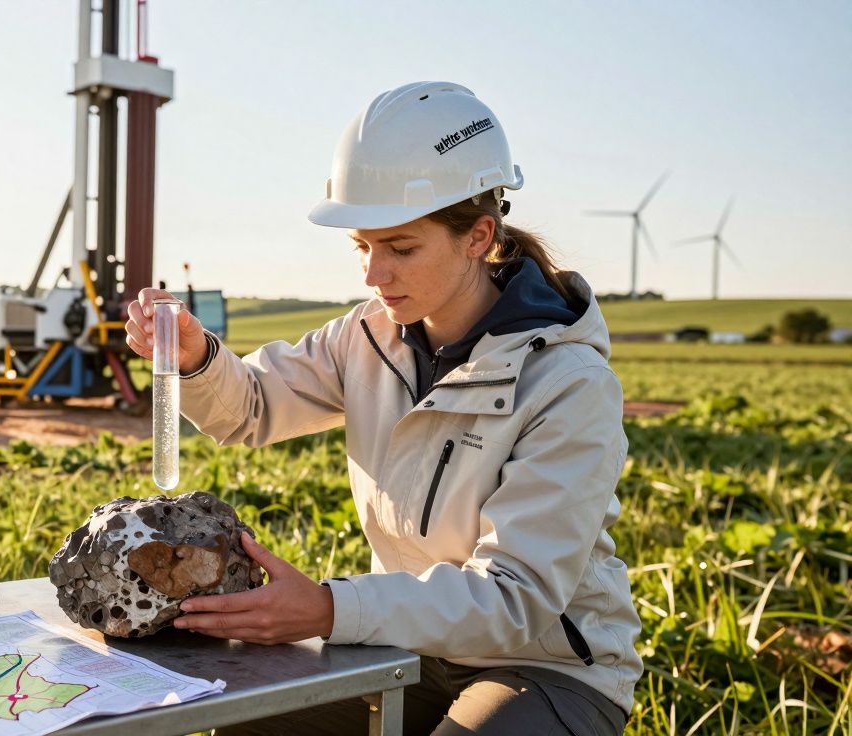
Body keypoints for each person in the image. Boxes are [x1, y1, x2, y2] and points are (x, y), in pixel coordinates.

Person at [124, 82, 642, 735]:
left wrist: (327, 609)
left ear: (478, 236)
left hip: (543, 666)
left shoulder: (569, 382)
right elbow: (250, 408)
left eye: (400, 248)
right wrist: (198, 358)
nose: (374, 275)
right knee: (249, 724)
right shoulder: (363, 338)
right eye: (362, 247)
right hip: (407, 644)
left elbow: (516, 598)